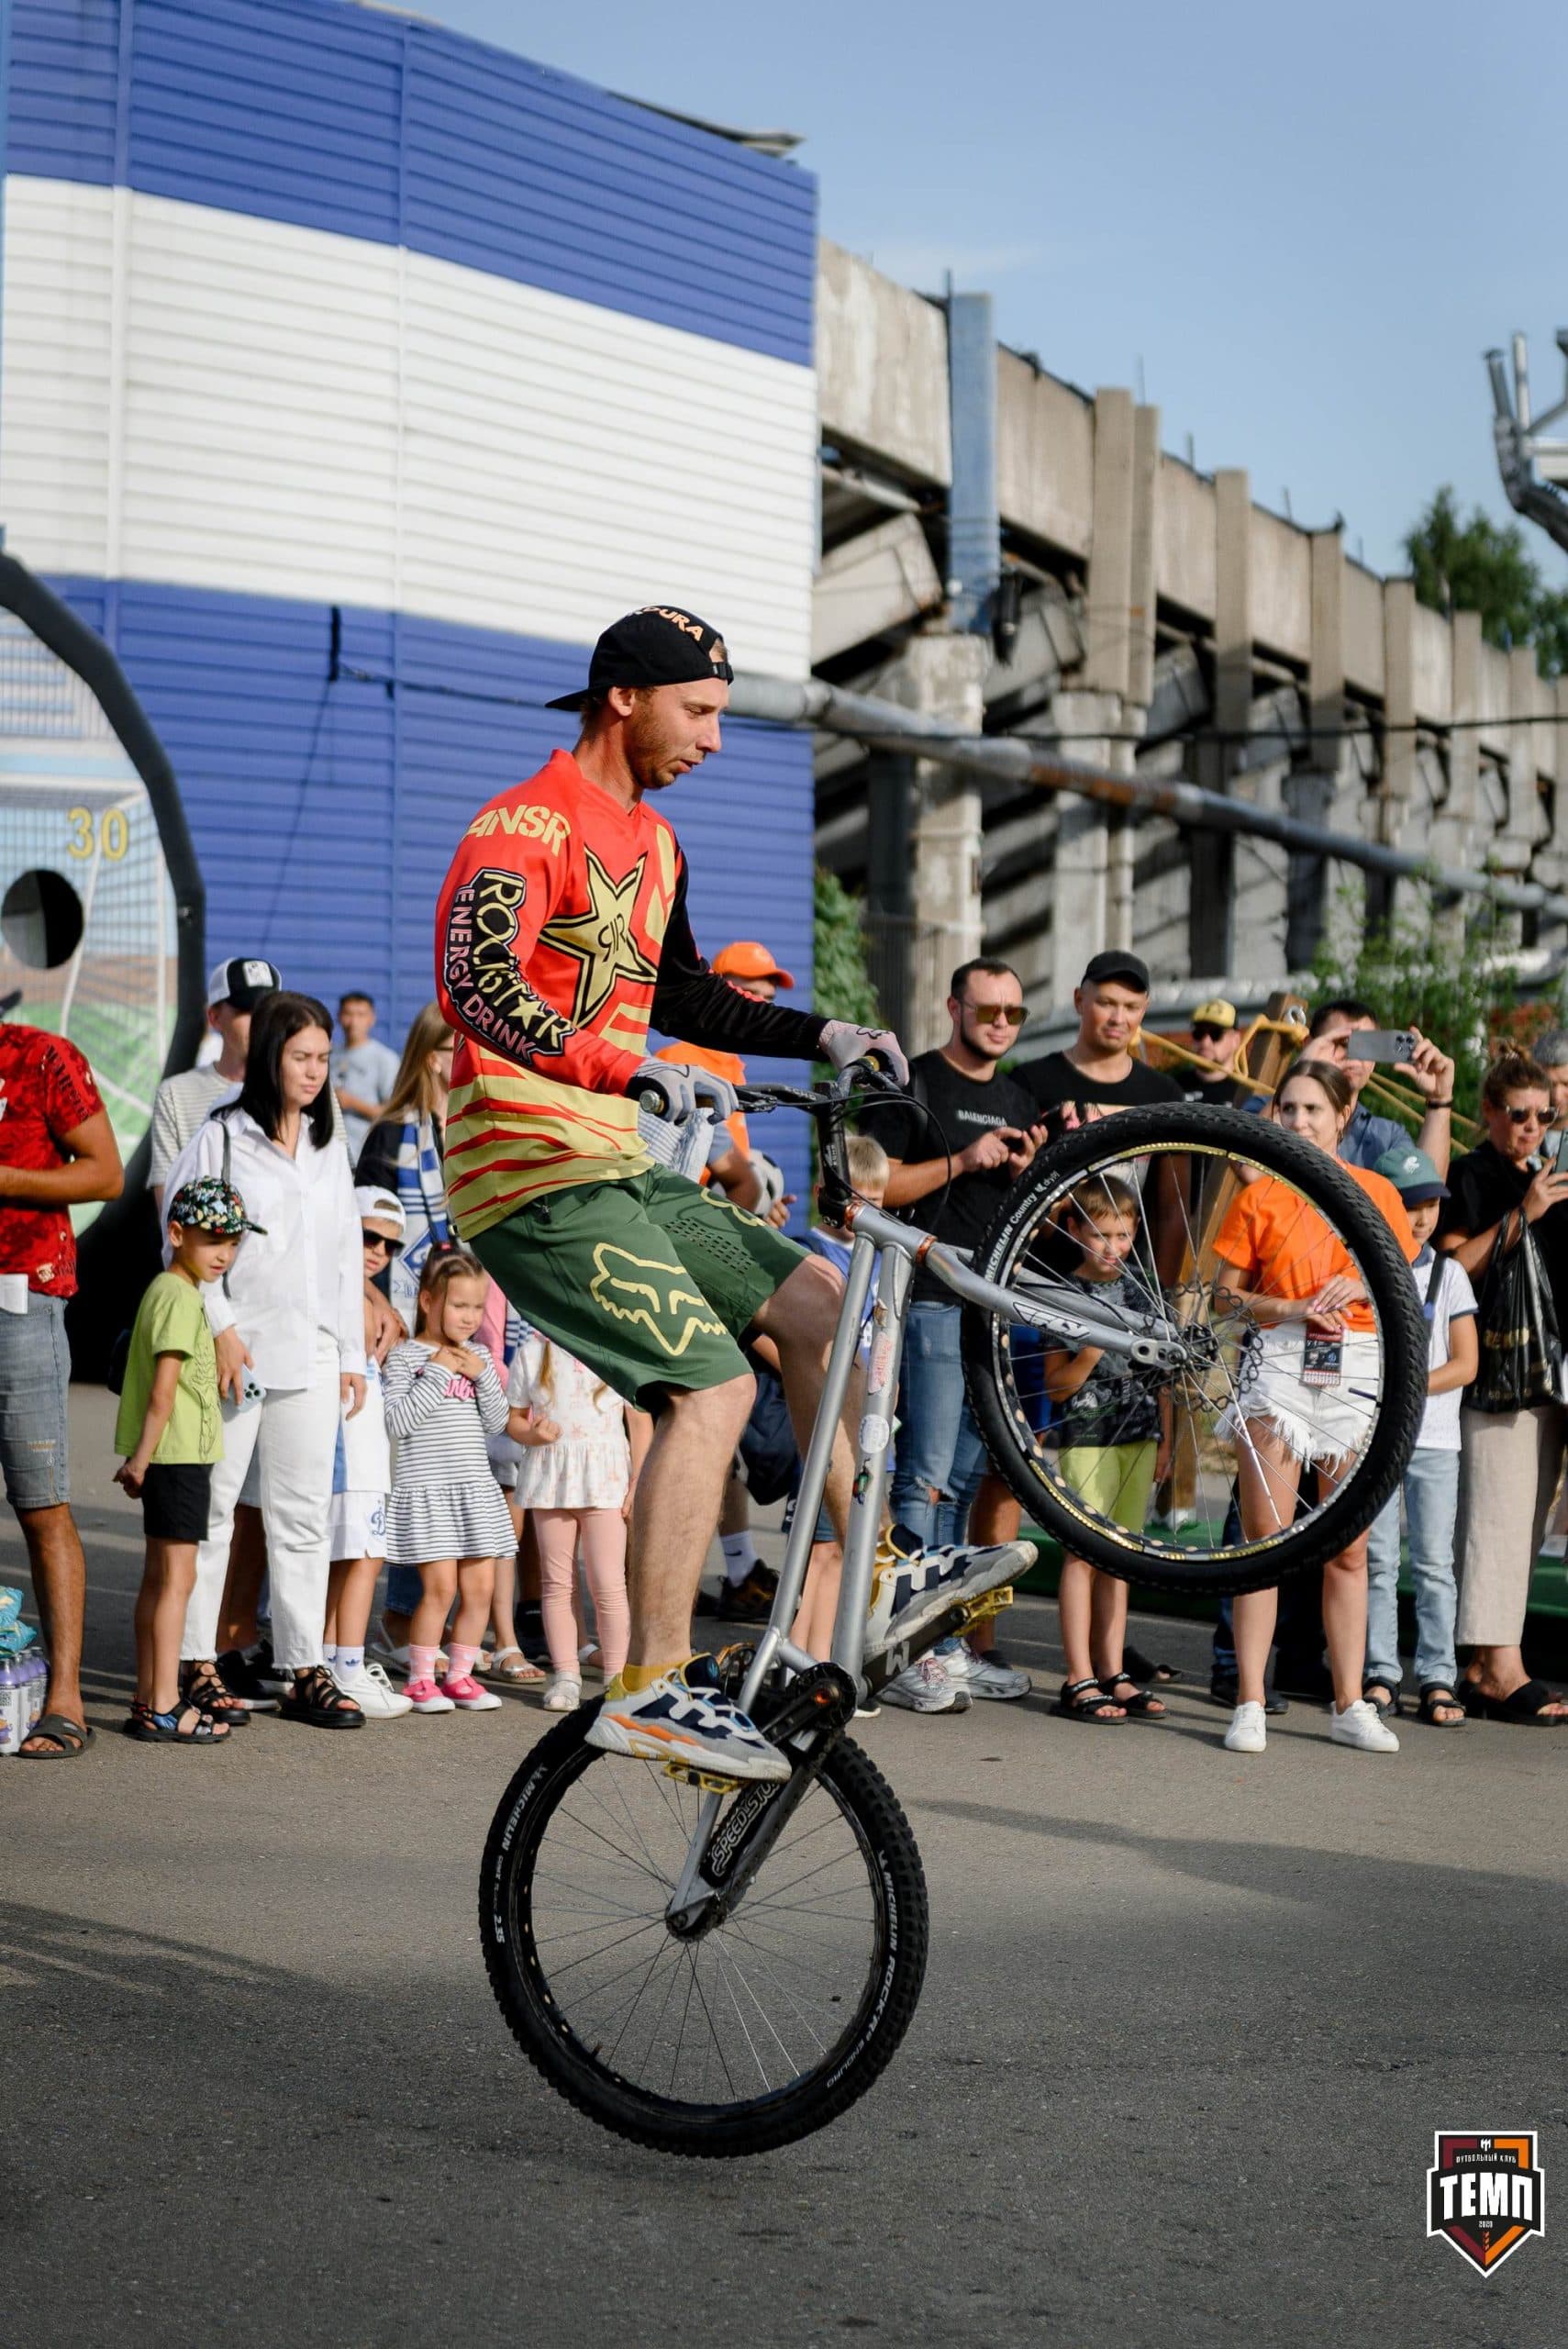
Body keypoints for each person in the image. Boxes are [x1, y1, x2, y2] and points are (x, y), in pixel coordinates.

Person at [434, 603, 1030, 1782]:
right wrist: (619, 1063)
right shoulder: (521, 821)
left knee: (818, 1305)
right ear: (625, 698)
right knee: (707, 1387)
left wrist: (828, 1033)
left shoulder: (653, 848)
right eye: (698, 712)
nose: (712, 739)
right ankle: (649, 1682)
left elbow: (687, 998)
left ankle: (871, 1573)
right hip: (526, 1174)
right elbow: (474, 979)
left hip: (613, 1161)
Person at [162, 991, 368, 1731]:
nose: (314, 1072)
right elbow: (178, 1231)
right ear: (270, 1056)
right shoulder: (222, 1134)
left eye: (323, 1060)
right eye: (300, 1057)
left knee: (303, 1516)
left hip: (312, 1354)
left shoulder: (328, 1141)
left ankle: (304, 1667)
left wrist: (349, 1353)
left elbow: (346, 1253)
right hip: (237, 1351)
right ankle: (194, 1663)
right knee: (215, 1509)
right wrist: (218, 1326)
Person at [1211, 1056, 1418, 1755]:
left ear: (1341, 1118)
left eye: (1311, 1110)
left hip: (1356, 1367)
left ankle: (1349, 1702)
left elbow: (1402, 1282)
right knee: (1263, 1542)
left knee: (1348, 1550)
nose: (1297, 1122)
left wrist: (1358, 1291)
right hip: (1276, 1362)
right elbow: (1223, 1297)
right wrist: (1296, 1306)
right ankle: (1247, 1700)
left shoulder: (1377, 1192)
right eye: (1287, 1108)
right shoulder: (1258, 1195)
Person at [861, 956, 1045, 1710]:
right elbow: (872, 1188)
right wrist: (965, 1158)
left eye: (1013, 1013)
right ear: (953, 1008)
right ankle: (902, 1651)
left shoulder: (1017, 1094)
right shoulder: (917, 1082)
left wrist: (1025, 1168)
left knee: (966, 1483)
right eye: (988, 1009)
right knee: (925, 1478)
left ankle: (941, 1648)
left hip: (994, 1309)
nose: (1000, 1022)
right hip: (933, 1299)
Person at [656, 941, 793, 1614]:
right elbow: (713, 1179)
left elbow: (730, 1179)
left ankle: (739, 1571)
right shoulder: (686, 1059)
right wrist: (741, 1220)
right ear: (714, 985)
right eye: (749, 991)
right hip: (680, 1263)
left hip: (695, 1254)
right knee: (693, 1424)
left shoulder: (724, 1064)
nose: (760, 1004)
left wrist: (758, 1208)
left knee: (721, 1425)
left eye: (768, 997)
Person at [0, 1015, 124, 1757]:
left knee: (41, 1504)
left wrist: (7, 1180)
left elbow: (105, 1172)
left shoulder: (41, 1055)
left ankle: (65, 1698)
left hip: (21, 1301)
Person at [1439, 1048, 1568, 1724]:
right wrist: (1526, 1211)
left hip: (1549, 1372)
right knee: (1495, 1514)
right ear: (1488, 1112)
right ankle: (1496, 1668)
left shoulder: (1549, 1171)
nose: (1530, 1127)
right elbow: (1453, 1265)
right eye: (1516, 1115)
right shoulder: (1473, 1173)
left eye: (1542, 1115)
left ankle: (1481, 1661)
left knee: (1524, 1520)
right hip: (1495, 1367)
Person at [114, 1177, 255, 1744]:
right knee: (178, 1580)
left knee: (158, 1581)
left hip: (168, 1460)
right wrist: (141, 1461)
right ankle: (168, 1702)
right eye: (212, 1238)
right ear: (176, 1234)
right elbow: (163, 1392)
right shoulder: (178, 1296)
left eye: (233, 1241)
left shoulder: (169, 1290)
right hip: (176, 1459)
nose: (225, 1252)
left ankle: (149, 1699)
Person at [1042, 1176, 1173, 1722]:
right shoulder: (1061, 1293)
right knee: (1082, 1553)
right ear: (1075, 1230)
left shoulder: (1144, 1289)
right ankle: (1077, 1676)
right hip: (1087, 1436)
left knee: (1119, 1555)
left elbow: (1163, 1374)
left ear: (1135, 1231)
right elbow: (1057, 1387)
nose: (1111, 1248)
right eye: (1100, 1235)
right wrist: (1095, 1347)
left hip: (1139, 1433)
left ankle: (1113, 1668)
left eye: (1121, 1235)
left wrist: (1166, 1438)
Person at [1361, 1147, 1475, 1730]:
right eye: (1409, 1205)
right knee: (1377, 1560)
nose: (1422, 1216)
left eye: (1430, 1203)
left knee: (1433, 1564)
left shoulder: (1449, 1272)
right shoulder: (1363, 1267)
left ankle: (1438, 1675)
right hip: (1374, 1436)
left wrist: (1408, 1388)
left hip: (1433, 1439)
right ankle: (1380, 1672)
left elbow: (1466, 1363)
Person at [381, 1244, 514, 1715]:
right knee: (440, 1590)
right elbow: (397, 1422)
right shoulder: (405, 1358)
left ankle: (459, 1676)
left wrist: (484, 1377)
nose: (469, 1317)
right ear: (428, 1301)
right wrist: (437, 1371)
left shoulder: (478, 1354)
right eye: (459, 1305)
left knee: (480, 1590)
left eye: (477, 1307)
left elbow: (497, 1421)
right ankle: (420, 1679)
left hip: (474, 1490)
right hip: (429, 1491)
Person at [509, 1333, 651, 1710]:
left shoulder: (617, 1348)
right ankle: (566, 1675)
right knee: (556, 1583)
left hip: (605, 1480)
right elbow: (515, 1421)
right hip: (551, 1480)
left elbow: (640, 1422)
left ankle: (617, 1679)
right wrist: (532, 1433)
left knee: (607, 1582)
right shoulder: (531, 1352)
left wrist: (638, 1481)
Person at [321, 1186, 413, 1720]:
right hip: (349, 1448)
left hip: (364, 1450)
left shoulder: (365, 1295)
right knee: (362, 1557)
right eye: (368, 1236)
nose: (378, 1250)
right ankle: (349, 1666)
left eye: (389, 1245)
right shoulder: (348, 1296)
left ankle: (335, 1658)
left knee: (349, 1558)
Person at [148, 957, 281, 1212]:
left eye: (270, 1011)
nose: (261, 1021)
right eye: (247, 1010)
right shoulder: (175, 1094)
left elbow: (337, 1179)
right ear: (215, 1018)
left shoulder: (305, 1089)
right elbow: (169, 1202)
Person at [354, 1001, 456, 1335]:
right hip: (401, 1310)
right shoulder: (391, 1135)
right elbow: (365, 1240)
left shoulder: (479, 1133)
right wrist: (378, 1305)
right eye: (463, 1048)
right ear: (432, 1059)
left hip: (471, 1311)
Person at [1013, 951, 1183, 1128]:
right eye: (1106, 1003)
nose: (1118, 1019)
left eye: (1131, 1007)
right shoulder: (1030, 1083)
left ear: (1144, 1011)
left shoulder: (1165, 1095)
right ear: (1079, 1001)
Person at [1300, 998, 1455, 1176]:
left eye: (1367, 1045)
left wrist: (1439, 1100)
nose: (1354, 1057)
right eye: (1342, 1043)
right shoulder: (1266, 1111)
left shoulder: (1387, 1136)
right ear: (1308, 1046)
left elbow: (1426, 1199)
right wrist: (1302, 1073)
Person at [332, 991, 401, 1164]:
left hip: (366, 1156)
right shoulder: (328, 1055)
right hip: (330, 1154)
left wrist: (353, 1103)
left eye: (361, 1015)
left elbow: (395, 1113)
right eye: (348, 1014)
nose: (353, 1022)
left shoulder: (385, 1059)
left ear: (372, 1019)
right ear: (339, 1017)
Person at [1176, 998, 1253, 1108]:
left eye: (1216, 1034)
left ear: (1235, 1040)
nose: (1205, 1042)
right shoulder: (1174, 1087)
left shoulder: (1247, 1093)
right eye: (1199, 1034)